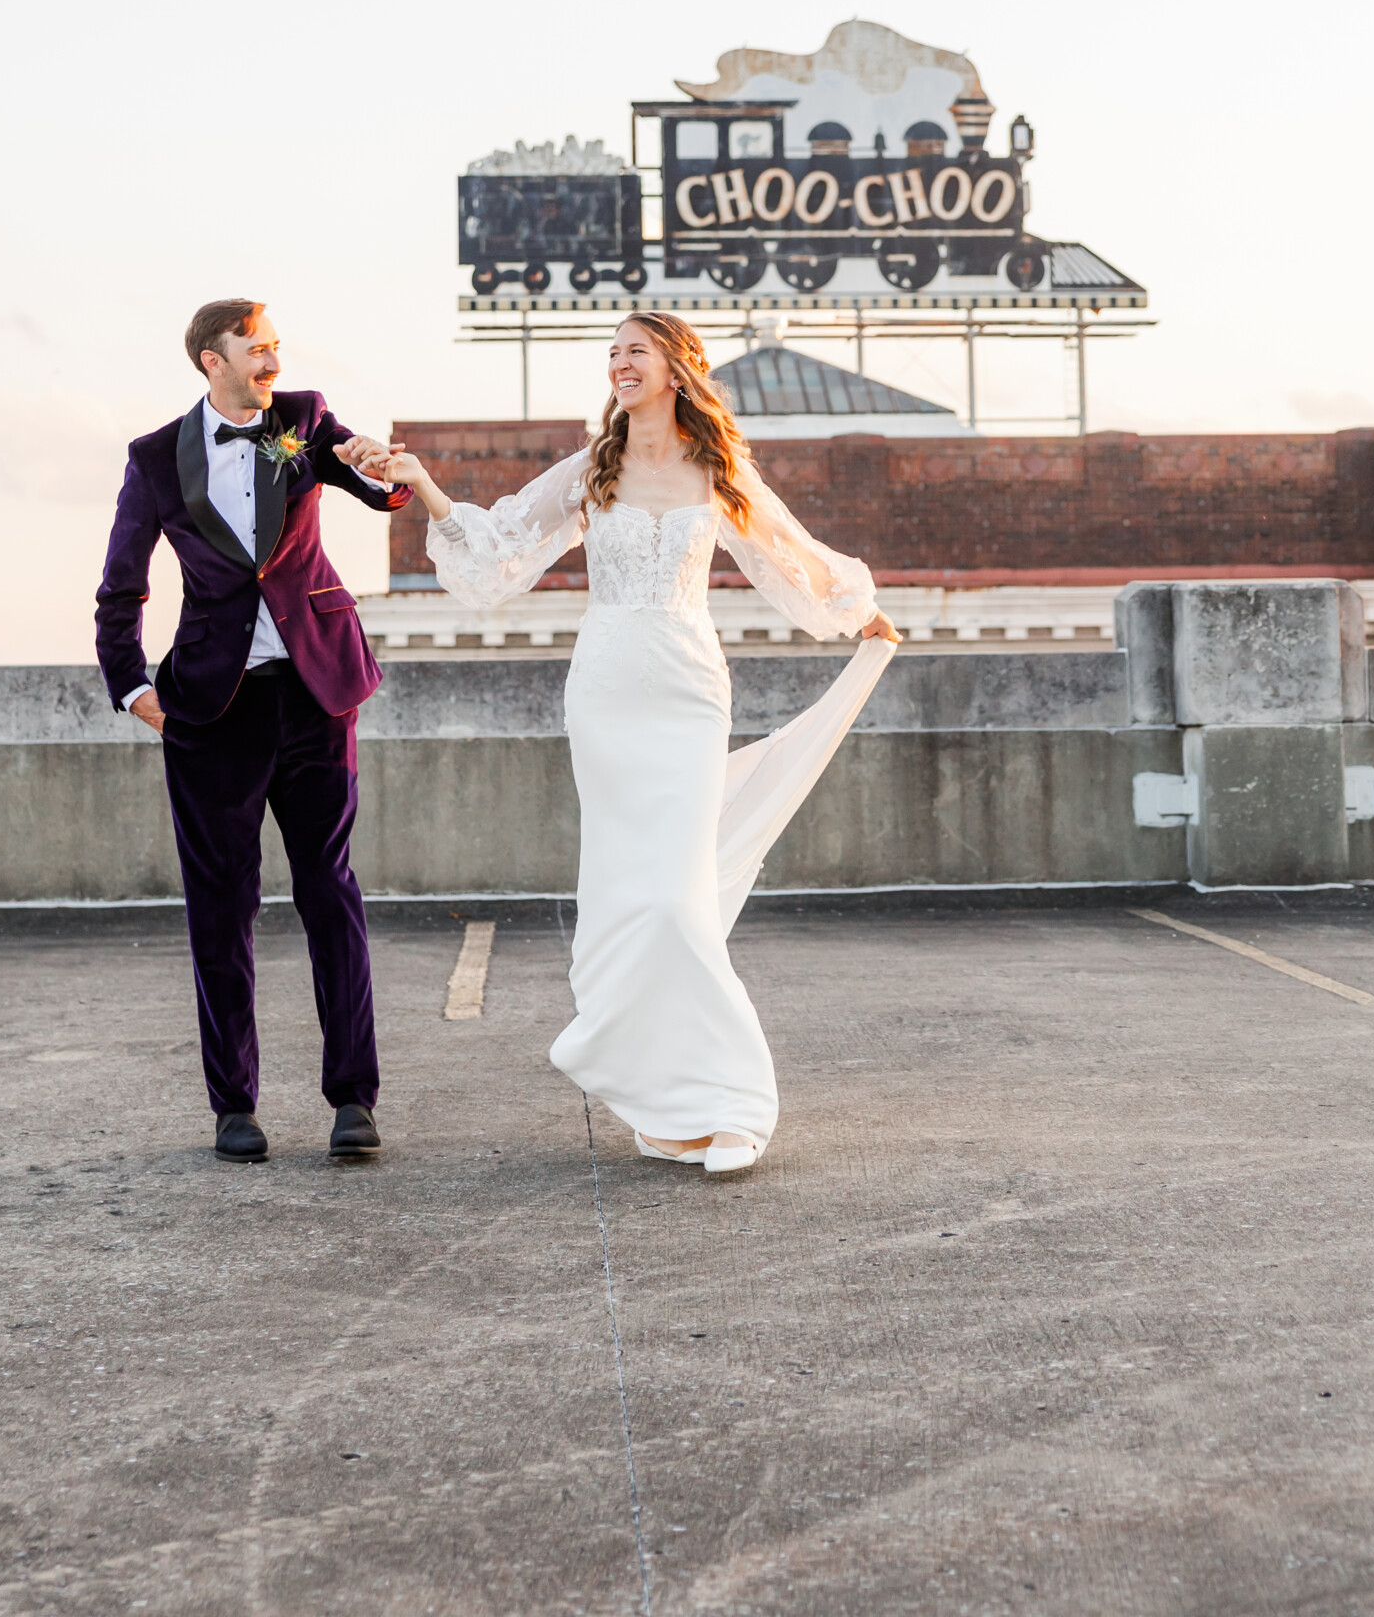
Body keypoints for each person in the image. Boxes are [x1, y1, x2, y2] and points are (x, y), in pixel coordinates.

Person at [360, 311, 899, 1174]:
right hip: (607, 688)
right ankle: (663, 1110)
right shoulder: (592, 468)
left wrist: (857, 613)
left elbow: (789, 558)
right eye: (610, 352)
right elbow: (498, 551)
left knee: (678, 900)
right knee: (627, 894)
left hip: (688, 688)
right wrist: (423, 483)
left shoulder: (720, 470)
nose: (617, 363)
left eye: (634, 351)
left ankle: (724, 1102)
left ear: (678, 368)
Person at [94, 298, 410, 1164]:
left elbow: (375, 488)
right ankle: (234, 1106)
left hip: (316, 691)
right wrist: (131, 687)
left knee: (329, 889)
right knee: (220, 908)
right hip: (210, 710)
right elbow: (122, 586)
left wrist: (380, 468)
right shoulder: (156, 458)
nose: (271, 360)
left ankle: (353, 1097)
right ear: (211, 360)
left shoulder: (301, 420)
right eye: (255, 348)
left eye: (275, 347)